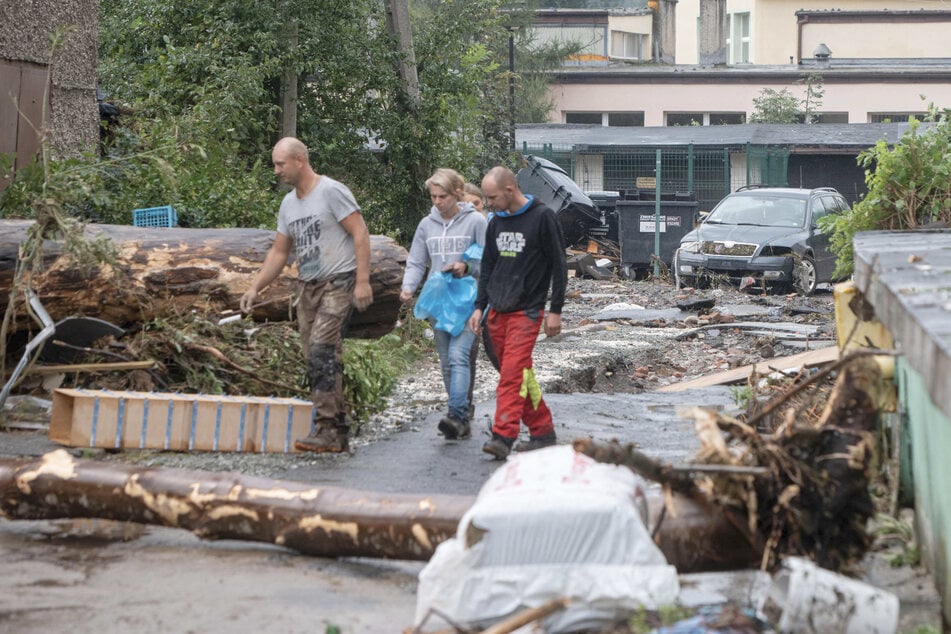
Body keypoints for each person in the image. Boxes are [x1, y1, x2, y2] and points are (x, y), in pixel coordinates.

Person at [240, 137, 373, 454]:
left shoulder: (331, 191)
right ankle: (337, 429)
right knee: (315, 356)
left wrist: (363, 280)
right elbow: (279, 252)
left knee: (321, 349)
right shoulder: (288, 205)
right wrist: (255, 287)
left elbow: (360, 232)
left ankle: (327, 427)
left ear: (299, 160)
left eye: (280, 164)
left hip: (338, 281)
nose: (276, 171)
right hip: (307, 286)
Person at [468, 166, 568, 460]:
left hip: (528, 312)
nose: (489, 204)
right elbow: (487, 268)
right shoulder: (496, 222)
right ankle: (543, 430)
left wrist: (556, 311)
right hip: (497, 311)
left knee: (512, 376)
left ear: (510, 191)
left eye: (493, 198)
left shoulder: (543, 217)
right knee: (520, 375)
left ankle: (503, 436)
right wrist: (479, 307)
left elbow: (560, 267)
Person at [400, 168, 487, 440]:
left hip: (469, 301)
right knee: (447, 362)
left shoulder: (475, 222)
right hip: (439, 302)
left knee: (459, 356)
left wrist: (466, 266)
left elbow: (490, 261)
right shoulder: (427, 224)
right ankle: (460, 413)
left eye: (443, 196)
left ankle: (457, 415)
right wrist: (408, 288)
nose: (437, 202)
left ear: (457, 193)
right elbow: (416, 260)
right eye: (433, 196)